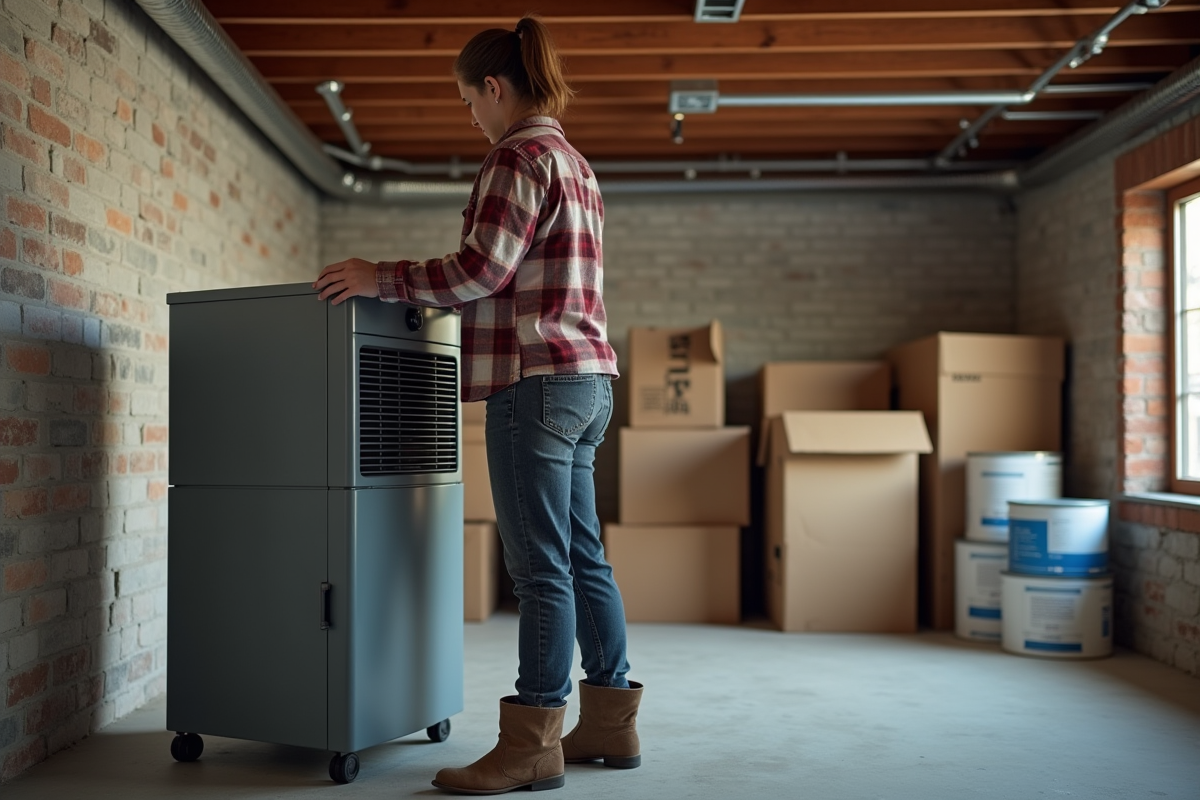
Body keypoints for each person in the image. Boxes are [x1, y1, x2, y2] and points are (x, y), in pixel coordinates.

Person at [313, 14, 642, 796]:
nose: (472, 117)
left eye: (469, 102)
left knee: (539, 571)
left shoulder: (518, 155)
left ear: (495, 88)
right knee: (582, 556)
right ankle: (609, 725)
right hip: (589, 380)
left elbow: (478, 272)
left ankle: (533, 739)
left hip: (535, 382)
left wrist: (377, 275)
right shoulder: (577, 163)